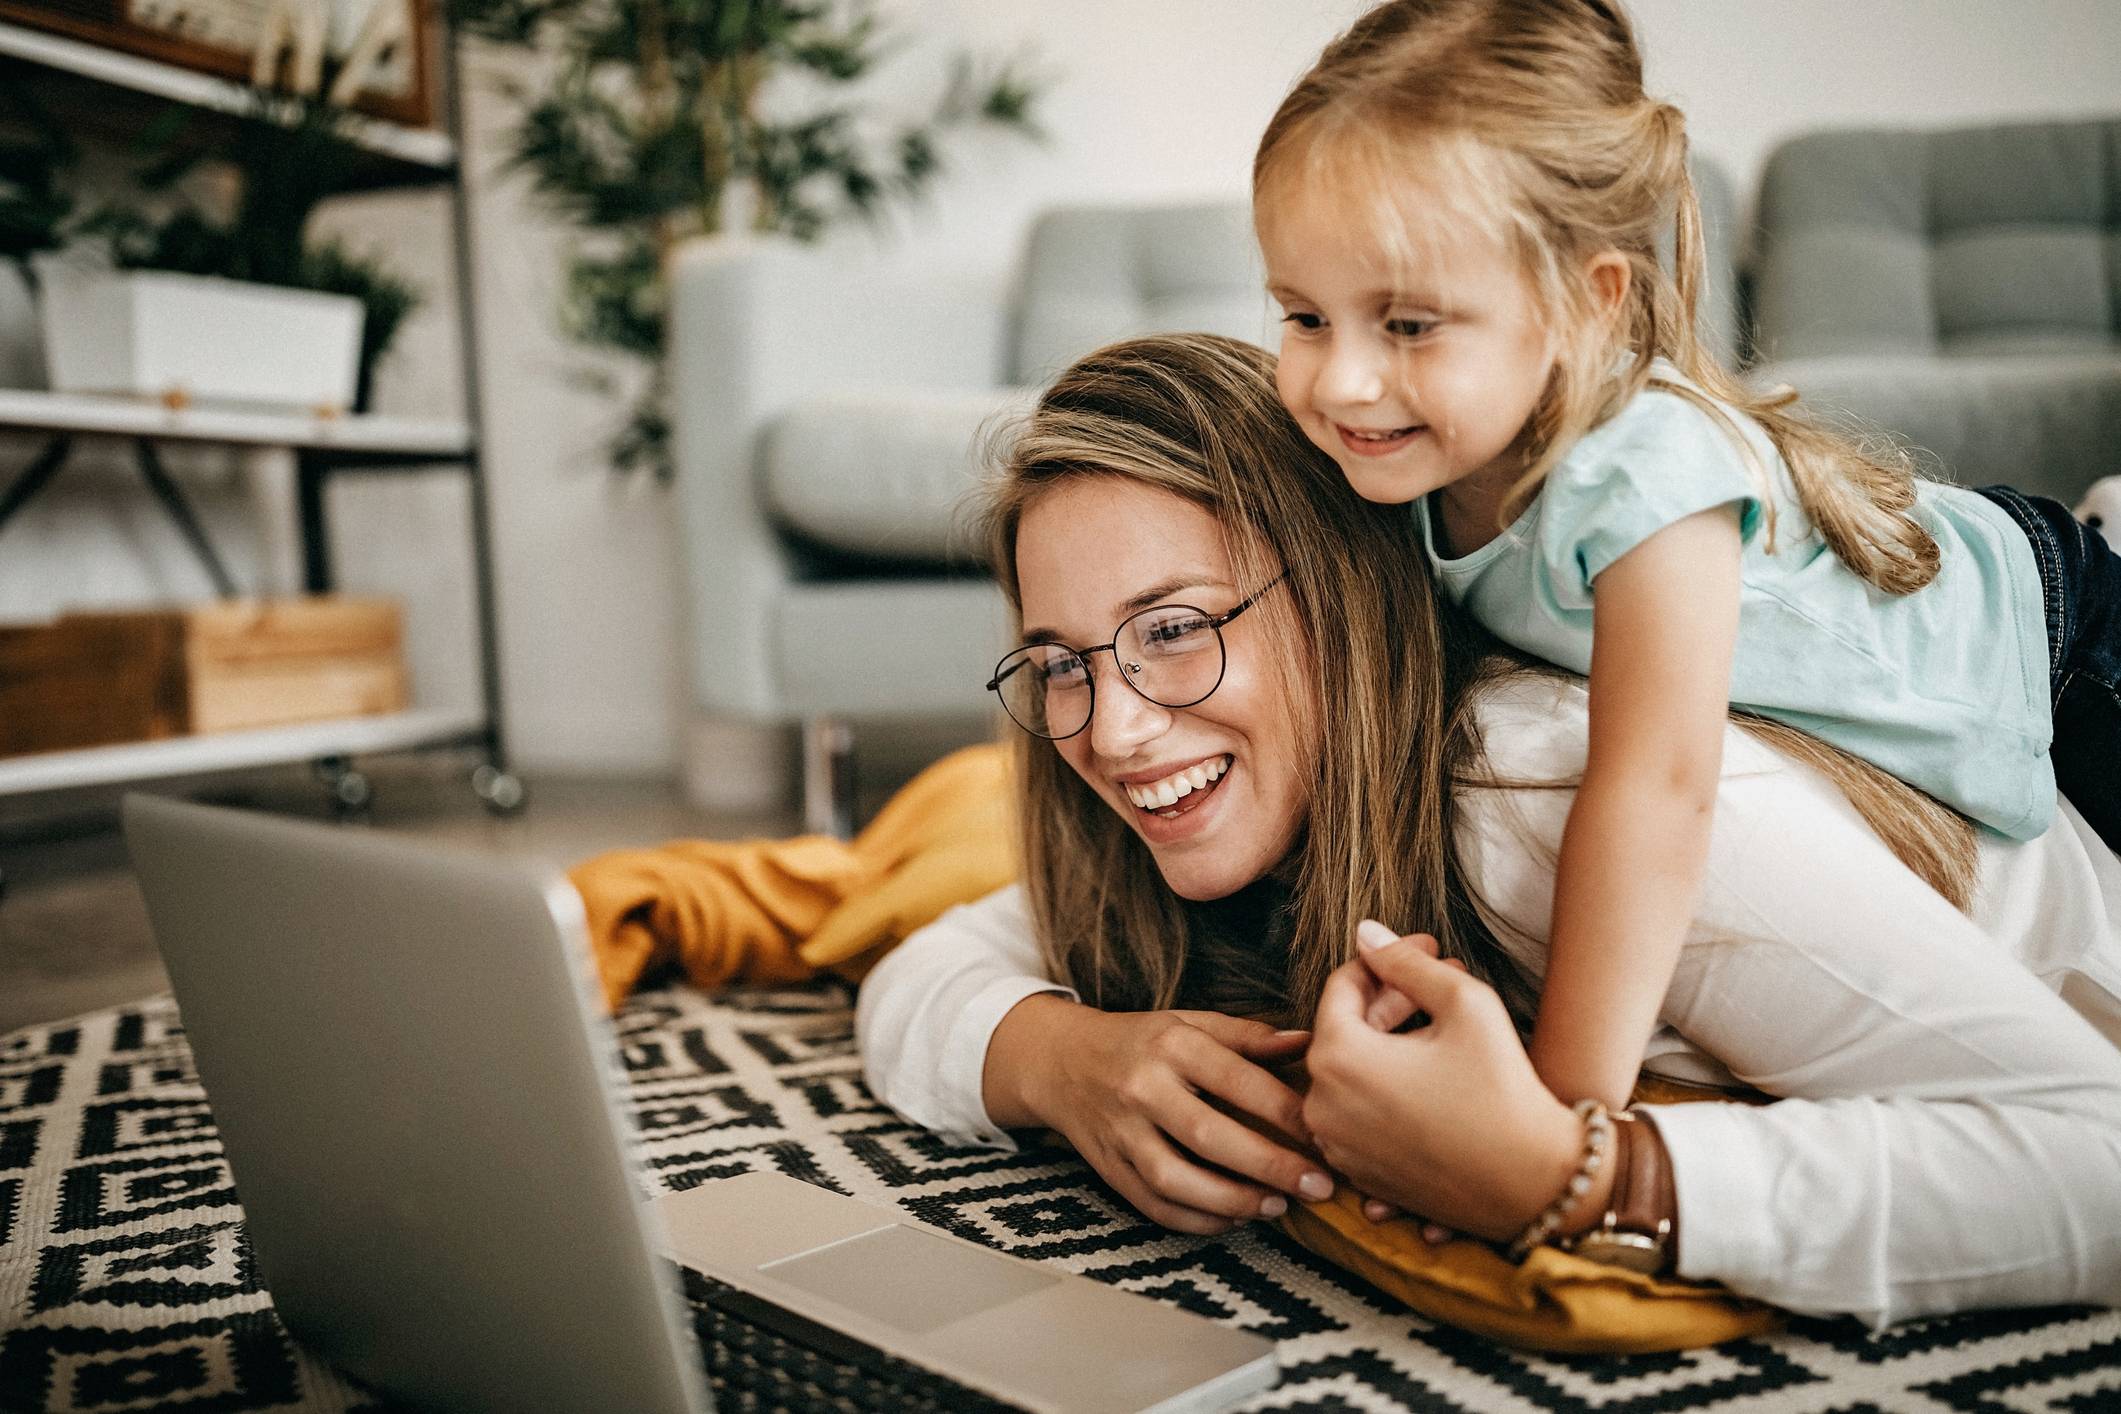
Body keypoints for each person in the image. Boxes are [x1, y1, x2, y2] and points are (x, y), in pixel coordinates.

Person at [856, 332, 2121, 1327]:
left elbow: (2097, 1163)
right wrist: (1065, 1062)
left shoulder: (1546, 796)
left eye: (1176, 628)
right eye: (1058, 663)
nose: (1114, 732)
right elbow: (929, 970)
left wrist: (1587, 1176)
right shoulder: (1202, 814)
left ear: (1338, 595)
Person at [1250, 0, 2121, 1112]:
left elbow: (1658, 789)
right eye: (1303, 317)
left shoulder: (1643, 472)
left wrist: (1565, 1097)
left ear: (1587, 300)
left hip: (2057, 631)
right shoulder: (1406, 447)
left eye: (1408, 325)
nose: (1340, 381)